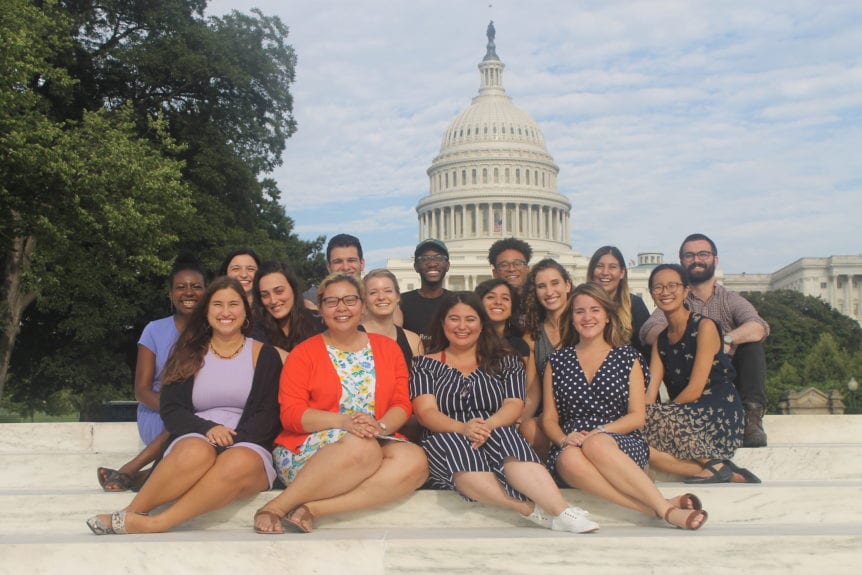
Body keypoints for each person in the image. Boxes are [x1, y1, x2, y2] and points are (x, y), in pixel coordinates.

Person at [87, 277, 285, 534]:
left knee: (238, 460)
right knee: (195, 450)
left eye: (234, 304)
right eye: (217, 305)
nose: (226, 312)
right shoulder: (187, 352)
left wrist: (232, 442)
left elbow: (268, 414)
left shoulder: (264, 354)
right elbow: (171, 409)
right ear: (206, 311)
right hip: (196, 434)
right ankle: (132, 512)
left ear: (245, 312)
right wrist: (208, 430)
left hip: (248, 443)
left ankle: (157, 523)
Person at [253, 273, 428, 534]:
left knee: (415, 460)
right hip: (311, 447)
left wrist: (378, 428)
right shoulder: (304, 353)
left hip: (373, 436)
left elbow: (401, 403)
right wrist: (344, 422)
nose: (342, 308)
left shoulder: (388, 349)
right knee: (363, 449)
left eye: (350, 300)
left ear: (362, 306)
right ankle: (277, 506)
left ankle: (313, 509)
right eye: (332, 302)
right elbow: (291, 414)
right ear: (321, 310)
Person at [410, 292, 599, 534]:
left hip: (494, 424)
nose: (462, 326)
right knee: (455, 448)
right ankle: (528, 509)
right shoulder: (425, 364)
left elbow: (513, 404)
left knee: (508, 440)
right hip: (446, 429)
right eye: (454, 319)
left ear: (481, 323)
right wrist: (463, 428)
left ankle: (562, 510)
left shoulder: (506, 360)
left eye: (470, 319)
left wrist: (487, 425)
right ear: (442, 323)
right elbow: (426, 411)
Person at [541, 282, 708, 530]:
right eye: (580, 312)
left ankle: (665, 511)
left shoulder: (628, 357)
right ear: (572, 318)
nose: (588, 317)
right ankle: (658, 507)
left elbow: (636, 416)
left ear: (607, 316)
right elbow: (549, 419)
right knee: (567, 460)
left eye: (595, 310)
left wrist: (601, 431)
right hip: (573, 440)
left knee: (596, 442)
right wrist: (564, 439)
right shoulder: (556, 361)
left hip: (619, 438)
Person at [640, 233, 770, 447]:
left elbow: (758, 327)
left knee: (752, 346)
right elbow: (649, 330)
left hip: (719, 385)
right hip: (685, 375)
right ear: (682, 261)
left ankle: (752, 416)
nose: (696, 259)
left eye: (703, 254)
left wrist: (722, 340)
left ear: (715, 259)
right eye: (689, 255)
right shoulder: (672, 303)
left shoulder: (729, 299)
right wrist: (684, 341)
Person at [97, 254, 206, 492]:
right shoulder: (154, 330)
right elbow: (142, 390)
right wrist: (173, 408)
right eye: (181, 287)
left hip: (202, 411)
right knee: (185, 422)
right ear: (170, 295)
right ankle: (133, 469)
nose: (189, 292)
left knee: (197, 424)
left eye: (196, 287)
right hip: (158, 413)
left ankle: (138, 475)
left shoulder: (216, 329)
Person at [643, 264, 756, 483]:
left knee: (648, 418)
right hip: (685, 415)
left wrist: (663, 416)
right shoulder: (661, 340)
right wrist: (641, 415)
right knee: (634, 435)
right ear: (651, 294)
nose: (665, 292)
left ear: (686, 290)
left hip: (717, 412)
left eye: (672, 285)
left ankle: (712, 464)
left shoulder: (705, 326)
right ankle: (725, 471)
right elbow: (650, 393)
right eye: (658, 287)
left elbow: (695, 389)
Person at [519, 259, 573, 455]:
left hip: (585, 409)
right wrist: (516, 423)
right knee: (527, 429)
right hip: (550, 414)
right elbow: (533, 392)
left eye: (555, 283)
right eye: (541, 286)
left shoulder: (586, 324)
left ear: (567, 285)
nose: (549, 292)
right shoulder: (532, 335)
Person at [587, 246, 650, 358]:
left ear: (622, 273)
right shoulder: (579, 305)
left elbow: (646, 350)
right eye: (600, 266)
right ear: (592, 272)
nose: (605, 272)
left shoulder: (635, 305)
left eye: (612, 267)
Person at [252, 260, 322, 350]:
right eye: (265, 295)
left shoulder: (320, 322)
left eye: (279, 291)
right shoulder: (255, 334)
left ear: (293, 289)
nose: (273, 300)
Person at [362, 269, 423, 365]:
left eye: (388, 291)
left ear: (398, 296)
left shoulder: (413, 340)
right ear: (365, 300)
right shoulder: (352, 337)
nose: (381, 297)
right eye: (373, 292)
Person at [400, 239, 451, 342]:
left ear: (447, 265)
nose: (432, 263)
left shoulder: (455, 302)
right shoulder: (401, 303)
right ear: (416, 267)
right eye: (424, 259)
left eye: (439, 258)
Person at [303, 233, 366, 308]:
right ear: (328, 266)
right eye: (338, 262)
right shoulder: (311, 299)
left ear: (362, 263)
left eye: (351, 260)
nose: (345, 267)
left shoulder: (376, 296)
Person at [475, 278, 529, 359]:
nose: (498, 302)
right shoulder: (468, 341)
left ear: (512, 307)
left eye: (505, 298)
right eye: (491, 297)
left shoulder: (519, 345)